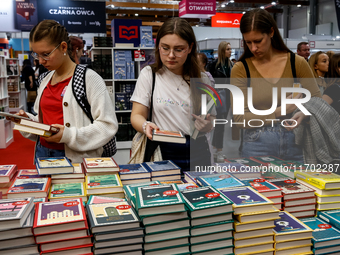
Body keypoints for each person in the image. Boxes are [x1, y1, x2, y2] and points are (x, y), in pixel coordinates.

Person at [15, 20, 118, 163]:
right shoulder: (44, 79)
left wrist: (68, 135)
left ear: (63, 47)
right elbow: (44, 121)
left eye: (45, 54)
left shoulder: (88, 78)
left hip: (75, 158)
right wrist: (28, 121)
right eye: (36, 55)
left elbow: (107, 126)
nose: (41, 61)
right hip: (42, 153)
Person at [231, 8, 321, 162]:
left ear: (271, 32)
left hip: (296, 141)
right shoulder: (241, 69)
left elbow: (317, 102)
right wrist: (281, 111)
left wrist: (304, 113)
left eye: (258, 41)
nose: (253, 48)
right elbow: (240, 119)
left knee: (298, 186)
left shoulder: (296, 63)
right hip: (256, 143)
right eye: (248, 42)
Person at [130, 17, 214, 172]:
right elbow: (136, 115)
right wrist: (145, 125)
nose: (171, 55)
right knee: (164, 194)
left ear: (190, 48)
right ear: (158, 46)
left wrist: (207, 124)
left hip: (198, 150)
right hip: (162, 151)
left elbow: (211, 119)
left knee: (200, 193)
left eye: (179, 49)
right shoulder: (150, 74)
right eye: (165, 48)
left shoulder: (202, 79)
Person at [208, 41, 233, 162]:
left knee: (221, 124)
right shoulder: (213, 65)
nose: (230, 51)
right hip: (217, 96)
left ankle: (216, 150)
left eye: (230, 49)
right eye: (228, 49)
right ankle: (217, 151)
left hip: (228, 96)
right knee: (218, 124)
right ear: (222, 50)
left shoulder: (232, 65)